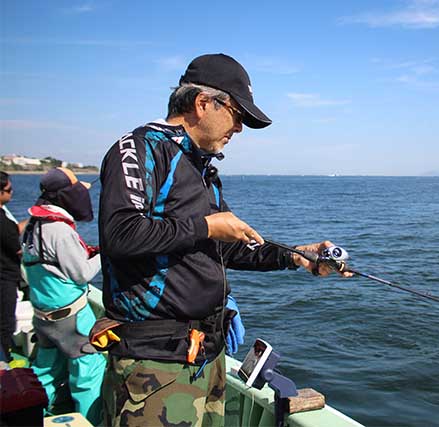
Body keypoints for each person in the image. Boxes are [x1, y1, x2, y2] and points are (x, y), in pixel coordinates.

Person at [97, 53, 350, 426]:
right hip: (156, 365)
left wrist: (298, 255)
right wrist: (206, 226)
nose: (240, 129)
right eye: (237, 114)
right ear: (203, 103)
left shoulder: (202, 169)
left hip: (206, 358)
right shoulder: (141, 148)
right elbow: (121, 234)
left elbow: (227, 247)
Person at [21, 167, 105, 425]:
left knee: (45, 371)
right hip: (72, 320)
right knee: (88, 374)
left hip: (44, 317)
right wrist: (106, 252)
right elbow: (82, 274)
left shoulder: (33, 225)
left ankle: (30, 416)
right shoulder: (59, 229)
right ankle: (88, 421)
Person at [0, 171, 21, 361]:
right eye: (8, 190)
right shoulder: (2, 222)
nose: (11, 193)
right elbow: (17, 248)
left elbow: (13, 230)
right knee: (6, 323)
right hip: (5, 279)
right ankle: (5, 359)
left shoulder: (5, 221)